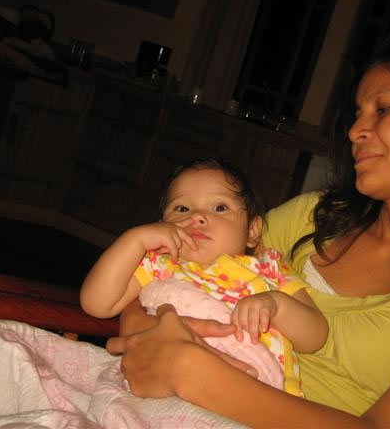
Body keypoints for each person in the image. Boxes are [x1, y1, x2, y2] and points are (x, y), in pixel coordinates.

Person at [105, 32, 390, 428]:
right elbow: (172, 272)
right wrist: (148, 329)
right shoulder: (313, 217)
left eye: (383, 109)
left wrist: (189, 370)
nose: (355, 131)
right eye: (357, 114)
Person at [80, 158, 328, 396]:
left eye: (220, 207)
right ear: (162, 223)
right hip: (160, 382)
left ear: (252, 231)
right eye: (182, 208)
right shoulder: (157, 264)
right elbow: (97, 304)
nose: (195, 216)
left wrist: (276, 304)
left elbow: (315, 337)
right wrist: (135, 240)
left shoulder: (269, 268)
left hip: (252, 399)